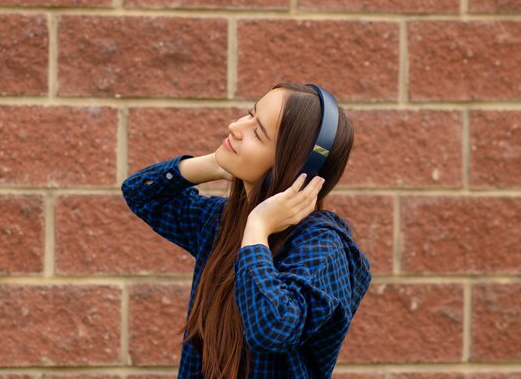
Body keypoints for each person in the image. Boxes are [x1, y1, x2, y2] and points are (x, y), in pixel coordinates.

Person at [121, 83, 372, 379]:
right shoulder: (222, 221)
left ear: (292, 169)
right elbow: (141, 193)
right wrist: (215, 163)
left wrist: (257, 230)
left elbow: (271, 328)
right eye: (248, 115)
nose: (235, 126)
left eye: (257, 132)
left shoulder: (324, 249)